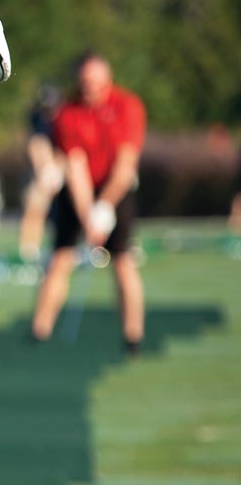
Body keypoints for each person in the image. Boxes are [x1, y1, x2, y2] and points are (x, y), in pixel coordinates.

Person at [30, 54, 147, 349]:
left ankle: (133, 335)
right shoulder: (68, 113)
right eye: (84, 82)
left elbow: (125, 166)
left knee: (123, 262)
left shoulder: (127, 106)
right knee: (60, 258)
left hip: (116, 189)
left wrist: (105, 206)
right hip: (79, 191)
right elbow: (75, 166)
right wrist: (88, 217)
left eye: (94, 82)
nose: (89, 88)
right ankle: (39, 331)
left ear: (107, 80)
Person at [18, 84, 64, 264]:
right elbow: (36, 145)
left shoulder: (62, 117)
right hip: (42, 171)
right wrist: (44, 170)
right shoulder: (38, 121)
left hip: (61, 168)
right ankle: (29, 249)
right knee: (34, 210)